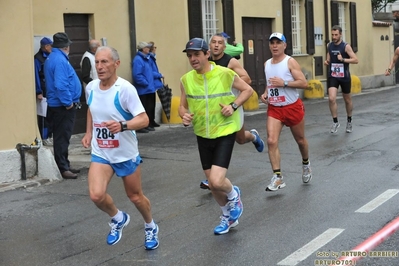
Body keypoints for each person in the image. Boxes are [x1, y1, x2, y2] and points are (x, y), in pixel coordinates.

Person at [81, 46, 159, 249]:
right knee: (96, 195)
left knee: (135, 196)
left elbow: (143, 119)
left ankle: (150, 225)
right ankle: (117, 218)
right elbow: (92, 108)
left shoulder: (125, 89)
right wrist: (89, 132)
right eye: (97, 62)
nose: (99, 67)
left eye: (104, 62)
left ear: (116, 64)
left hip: (125, 153)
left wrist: (122, 125)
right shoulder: (91, 87)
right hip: (101, 152)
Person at [179, 38, 253, 235]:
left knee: (218, 181)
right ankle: (227, 217)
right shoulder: (186, 80)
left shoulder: (225, 73)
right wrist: (183, 115)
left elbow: (248, 90)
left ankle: (234, 194)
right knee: (212, 184)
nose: (193, 59)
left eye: (196, 54)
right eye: (189, 55)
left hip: (224, 131)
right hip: (202, 134)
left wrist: (233, 106)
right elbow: (182, 106)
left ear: (206, 55)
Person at [199, 33, 265, 190]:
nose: (216, 45)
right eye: (213, 42)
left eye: (219, 43)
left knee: (240, 139)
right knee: (212, 137)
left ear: (224, 46)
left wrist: (227, 80)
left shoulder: (230, 61)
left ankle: (253, 136)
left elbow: (247, 80)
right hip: (213, 108)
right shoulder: (205, 61)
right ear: (209, 46)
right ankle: (213, 177)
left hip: (232, 104)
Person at [260, 32, 312, 191]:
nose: (275, 46)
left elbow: (303, 83)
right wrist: (266, 93)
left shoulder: (290, 62)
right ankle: (278, 177)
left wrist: (284, 83)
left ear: (284, 45)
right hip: (275, 109)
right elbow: (270, 83)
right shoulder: (267, 64)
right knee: (271, 140)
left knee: (301, 141)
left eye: (278, 43)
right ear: (269, 46)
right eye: (272, 43)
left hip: (292, 107)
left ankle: (306, 163)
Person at [44, 32, 81, 179]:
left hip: (58, 104)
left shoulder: (53, 57)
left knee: (62, 136)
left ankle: (64, 162)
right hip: (62, 105)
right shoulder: (59, 60)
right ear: (66, 46)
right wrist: (68, 103)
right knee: (62, 136)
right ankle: (63, 167)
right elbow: (61, 84)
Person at [324, 25, 358, 133]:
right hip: (333, 75)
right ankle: (335, 122)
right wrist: (327, 62)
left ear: (340, 34)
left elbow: (355, 60)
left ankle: (349, 120)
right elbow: (328, 58)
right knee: (331, 98)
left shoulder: (345, 46)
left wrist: (343, 59)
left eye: (336, 35)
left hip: (344, 76)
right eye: (332, 35)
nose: (334, 37)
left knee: (347, 99)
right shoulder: (329, 45)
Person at [132, 41, 156, 133]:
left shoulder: (146, 58)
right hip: (143, 89)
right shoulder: (138, 59)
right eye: (147, 47)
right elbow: (137, 75)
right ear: (143, 49)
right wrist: (145, 83)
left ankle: (148, 124)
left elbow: (150, 72)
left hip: (149, 88)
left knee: (149, 107)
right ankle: (141, 126)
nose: (148, 49)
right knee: (144, 108)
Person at [35, 37, 53, 146]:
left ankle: (50, 135)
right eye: (51, 45)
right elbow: (36, 76)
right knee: (44, 116)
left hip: (51, 90)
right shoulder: (38, 59)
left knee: (51, 114)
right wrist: (38, 91)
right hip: (43, 91)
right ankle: (44, 137)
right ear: (46, 47)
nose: (52, 47)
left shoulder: (51, 57)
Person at [148, 41, 163, 127]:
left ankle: (152, 121)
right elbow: (151, 72)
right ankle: (150, 122)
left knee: (152, 104)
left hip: (152, 84)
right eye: (155, 48)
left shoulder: (151, 58)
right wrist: (159, 75)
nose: (155, 49)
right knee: (149, 105)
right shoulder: (150, 58)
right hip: (150, 84)